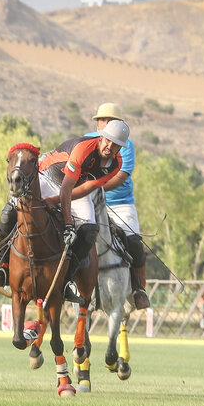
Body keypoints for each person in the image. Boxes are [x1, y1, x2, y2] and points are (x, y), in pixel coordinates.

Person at [0, 119, 130, 304]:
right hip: (47, 176)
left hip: (72, 188)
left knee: (89, 231)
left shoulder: (115, 165)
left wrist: (55, 203)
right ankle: (1, 266)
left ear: (121, 147)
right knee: (8, 213)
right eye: (108, 140)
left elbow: (86, 188)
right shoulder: (83, 149)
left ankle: (67, 281)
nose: (110, 146)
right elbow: (65, 188)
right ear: (101, 137)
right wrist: (69, 223)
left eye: (116, 144)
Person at [83, 103, 149, 309]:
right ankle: (68, 283)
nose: (104, 124)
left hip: (120, 205)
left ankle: (139, 289)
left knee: (134, 243)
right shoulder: (86, 141)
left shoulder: (126, 145)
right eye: (101, 120)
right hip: (90, 204)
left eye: (109, 120)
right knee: (71, 237)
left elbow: (121, 176)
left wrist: (96, 188)